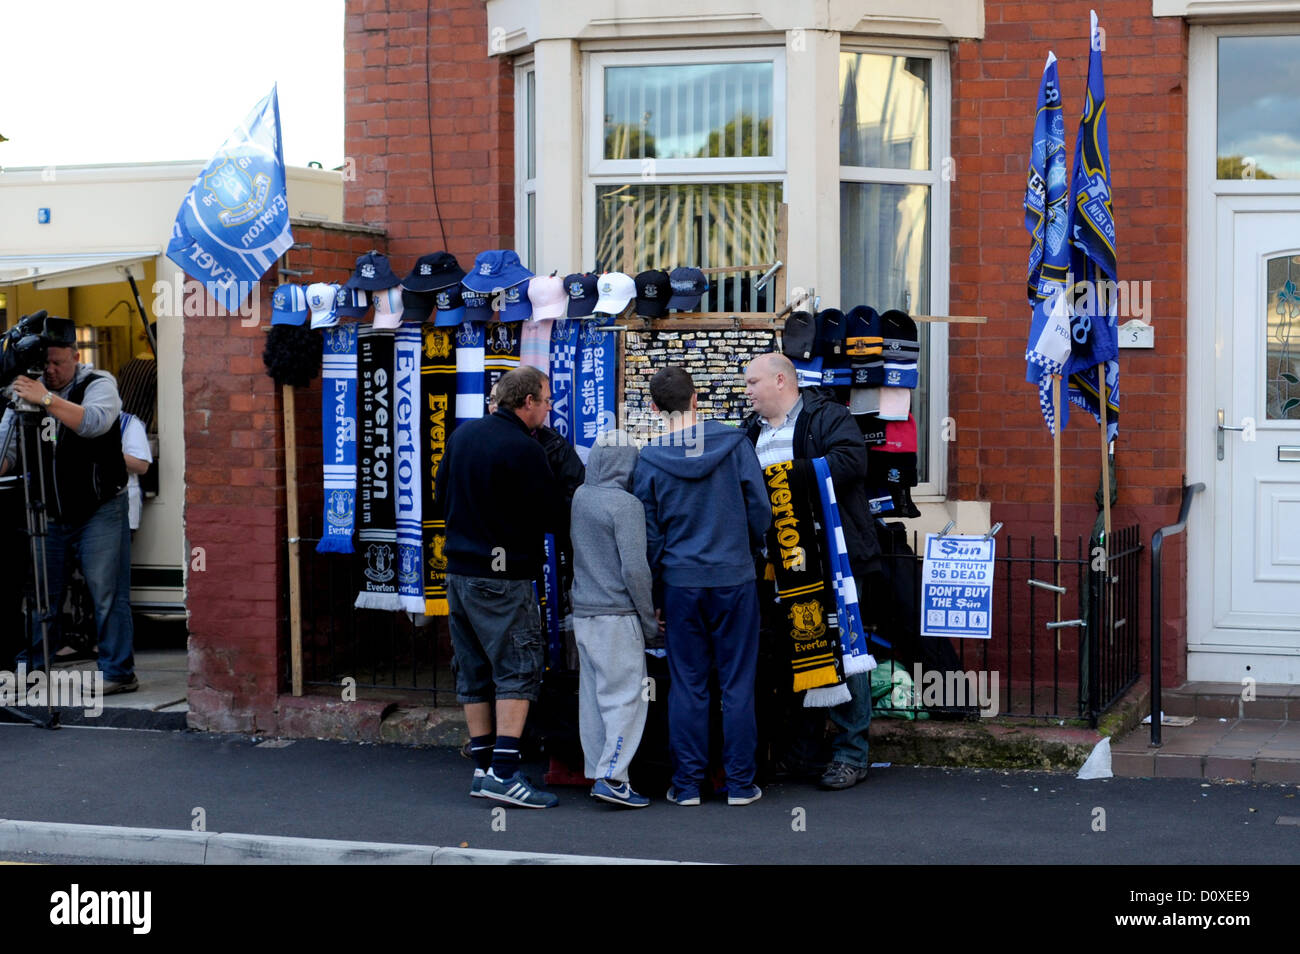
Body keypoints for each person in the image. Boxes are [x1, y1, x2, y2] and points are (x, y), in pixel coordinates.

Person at [743, 352, 884, 790]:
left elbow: (851, 462)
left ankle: (851, 754)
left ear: (781, 380)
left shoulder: (828, 417)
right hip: (782, 565)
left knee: (846, 653)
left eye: (752, 382)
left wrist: (785, 475)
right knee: (797, 653)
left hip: (834, 559)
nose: (746, 391)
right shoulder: (750, 432)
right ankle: (803, 753)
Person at [632, 366, 771, 806]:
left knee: (687, 684)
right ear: (696, 399)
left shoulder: (649, 459)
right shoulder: (736, 444)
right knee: (737, 682)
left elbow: (649, 537)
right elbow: (760, 513)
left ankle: (688, 785)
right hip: (734, 578)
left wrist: (655, 594)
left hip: (679, 583)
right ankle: (740, 784)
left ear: (655, 409)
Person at [433, 365, 563, 808]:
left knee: (473, 670)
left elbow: (439, 495)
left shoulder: (463, 436)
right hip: (503, 576)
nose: (548, 409)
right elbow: (549, 514)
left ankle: (484, 769)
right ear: (527, 403)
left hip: (459, 571)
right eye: (545, 401)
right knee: (518, 668)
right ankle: (506, 774)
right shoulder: (524, 449)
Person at [0, 323, 136, 694]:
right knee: (42, 593)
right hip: (49, 510)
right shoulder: (25, 392)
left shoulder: (98, 383)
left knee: (106, 591)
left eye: (58, 363)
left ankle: (118, 672)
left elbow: (93, 423)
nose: (50, 371)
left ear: (76, 357)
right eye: (45, 364)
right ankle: (34, 667)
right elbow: (6, 454)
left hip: (100, 507)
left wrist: (45, 399)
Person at [570, 429, 657, 808]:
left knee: (591, 699)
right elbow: (635, 570)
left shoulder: (581, 497)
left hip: (584, 614)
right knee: (625, 698)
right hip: (616, 617)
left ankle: (599, 770)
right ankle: (613, 777)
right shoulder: (626, 506)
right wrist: (650, 623)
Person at [120, 412, 152, 533]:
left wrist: (107, 452)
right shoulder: (73, 421)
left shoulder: (129, 424)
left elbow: (141, 466)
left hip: (120, 513)